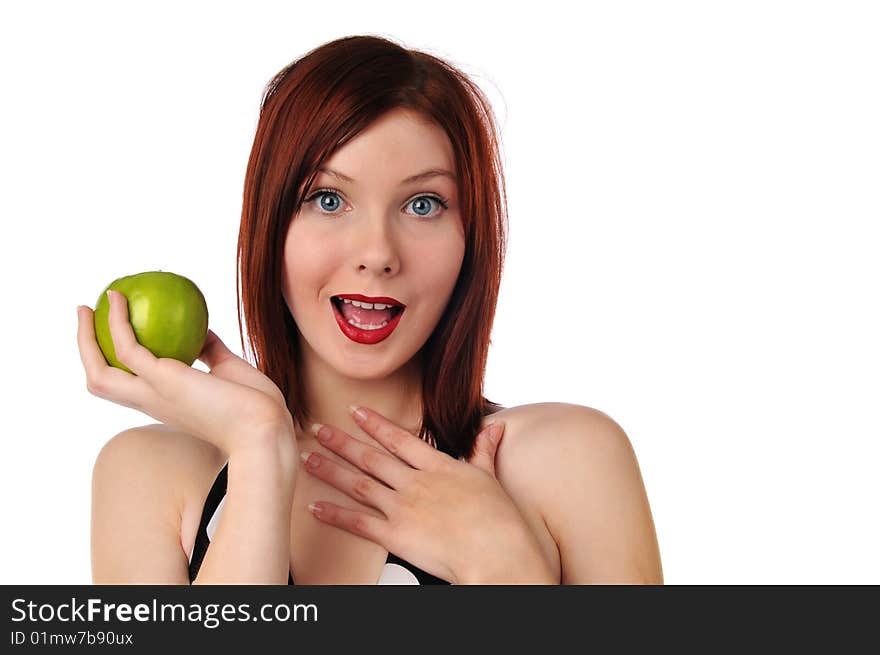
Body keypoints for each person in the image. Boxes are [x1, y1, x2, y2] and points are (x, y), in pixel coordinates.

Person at [76, 34, 663, 585]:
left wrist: (503, 567)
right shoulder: (151, 474)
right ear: (271, 224)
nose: (378, 254)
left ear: (471, 237)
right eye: (328, 199)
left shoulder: (568, 460)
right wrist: (259, 449)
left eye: (424, 204)